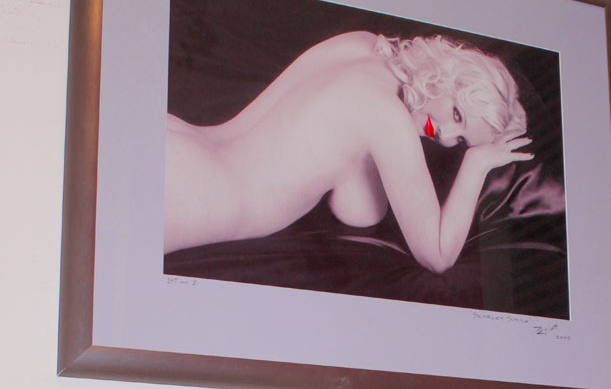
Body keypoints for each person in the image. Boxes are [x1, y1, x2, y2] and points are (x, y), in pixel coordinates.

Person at [164, 31, 532, 273]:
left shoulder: (363, 45)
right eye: (457, 114)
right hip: (198, 194)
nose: (446, 136)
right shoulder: (388, 119)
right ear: (450, 76)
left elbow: (353, 201)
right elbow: (438, 255)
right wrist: (476, 163)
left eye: (462, 142)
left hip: (178, 137)